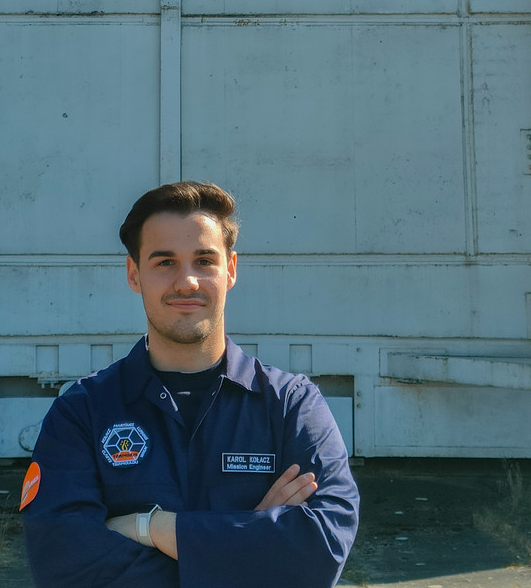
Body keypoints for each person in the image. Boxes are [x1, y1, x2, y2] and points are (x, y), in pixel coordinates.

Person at [20, 180, 359, 587]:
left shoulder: (291, 405)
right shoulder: (81, 413)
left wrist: (153, 528)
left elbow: (321, 549)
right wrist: (249, 538)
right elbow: (64, 565)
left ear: (230, 270)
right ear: (134, 274)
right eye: (165, 262)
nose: (187, 282)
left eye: (204, 261)